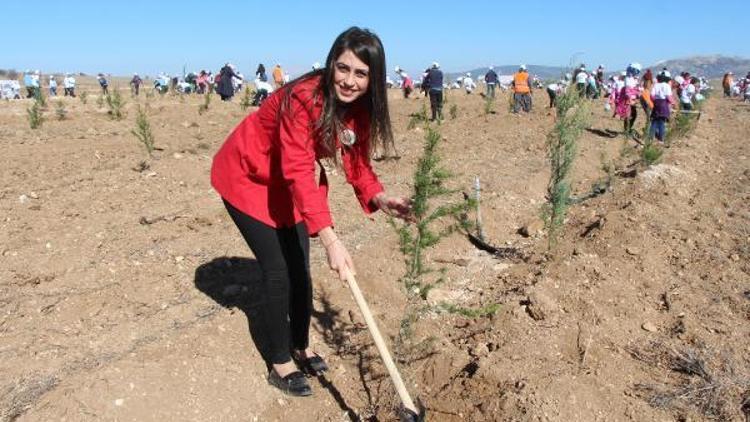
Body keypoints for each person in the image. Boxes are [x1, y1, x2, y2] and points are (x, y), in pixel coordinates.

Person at [210, 26, 413, 397]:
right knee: (277, 271)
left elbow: (356, 163)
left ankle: (301, 345)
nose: (349, 81)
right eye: (343, 68)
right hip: (249, 176)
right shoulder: (302, 98)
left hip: (287, 180)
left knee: (300, 267)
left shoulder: (360, 110)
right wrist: (331, 238)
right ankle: (279, 360)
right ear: (331, 64)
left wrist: (380, 197)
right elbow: (300, 171)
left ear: (373, 78)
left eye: (361, 73)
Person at [649, 70, 675, 143]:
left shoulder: (656, 85)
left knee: (654, 121)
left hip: (656, 103)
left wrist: (655, 101)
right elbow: (669, 96)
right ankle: (661, 139)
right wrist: (673, 102)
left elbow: (652, 95)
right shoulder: (666, 86)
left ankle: (651, 137)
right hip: (663, 104)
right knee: (661, 121)